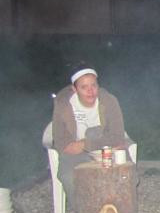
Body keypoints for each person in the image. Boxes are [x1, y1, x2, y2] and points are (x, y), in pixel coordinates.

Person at [51, 65, 127, 200]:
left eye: (93, 85)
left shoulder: (109, 101)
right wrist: (75, 147)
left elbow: (117, 137)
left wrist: (85, 144)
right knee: (69, 178)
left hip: (106, 151)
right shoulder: (63, 105)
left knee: (126, 177)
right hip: (75, 155)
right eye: (84, 87)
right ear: (74, 89)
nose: (90, 91)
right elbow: (60, 141)